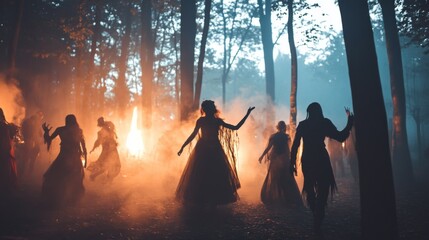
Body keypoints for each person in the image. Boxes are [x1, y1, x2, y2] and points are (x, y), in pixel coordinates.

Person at [176, 100, 255, 209]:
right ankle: (206, 201)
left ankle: (209, 202)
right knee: (206, 174)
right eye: (212, 106)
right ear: (208, 109)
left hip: (208, 150)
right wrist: (183, 146)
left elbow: (235, 127)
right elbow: (193, 135)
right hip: (207, 150)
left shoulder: (211, 121)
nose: (214, 108)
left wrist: (247, 114)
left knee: (210, 174)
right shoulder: (205, 121)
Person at [290, 102, 353, 232]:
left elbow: (295, 145)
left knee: (310, 188)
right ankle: (318, 213)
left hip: (308, 159)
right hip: (321, 158)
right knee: (322, 188)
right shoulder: (324, 123)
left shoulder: (303, 125)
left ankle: (316, 213)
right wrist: (349, 122)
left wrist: (292, 163)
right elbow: (340, 137)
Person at [42, 114, 87, 208]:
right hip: (73, 157)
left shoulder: (61, 130)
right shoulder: (78, 131)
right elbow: (83, 147)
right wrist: (85, 160)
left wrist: (46, 132)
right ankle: (69, 199)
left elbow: (48, 139)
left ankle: (62, 199)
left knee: (61, 177)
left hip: (64, 157)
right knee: (72, 178)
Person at [258, 121, 303, 207]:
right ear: (284, 128)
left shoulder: (275, 137)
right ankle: (287, 198)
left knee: (275, 179)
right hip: (283, 160)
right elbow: (288, 150)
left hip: (276, 160)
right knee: (285, 179)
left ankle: (274, 198)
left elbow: (269, 147)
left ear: (277, 127)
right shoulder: (286, 137)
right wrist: (291, 160)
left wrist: (262, 156)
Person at [87, 117, 121, 182]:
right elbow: (98, 141)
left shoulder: (108, 129)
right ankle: (94, 176)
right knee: (106, 165)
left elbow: (98, 142)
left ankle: (107, 180)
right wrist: (93, 148)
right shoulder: (101, 132)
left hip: (111, 149)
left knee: (109, 165)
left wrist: (93, 148)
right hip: (108, 150)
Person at [0, 108, 18, 197]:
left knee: (5, 167)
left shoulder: (6, 125)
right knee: (5, 168)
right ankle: (5, 187)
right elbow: (12, 136)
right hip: (5, 149)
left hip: (4, 149)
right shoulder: (6, 125)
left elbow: (11, 136)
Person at [20, 111, 44, 176]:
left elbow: (40, 134)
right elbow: (40, 134)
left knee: (27, 157)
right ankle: (27, 173)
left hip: (31, 142)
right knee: (30, 158)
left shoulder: (26, 122)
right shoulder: (34, 123)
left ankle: (24, 172)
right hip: (31, 142)